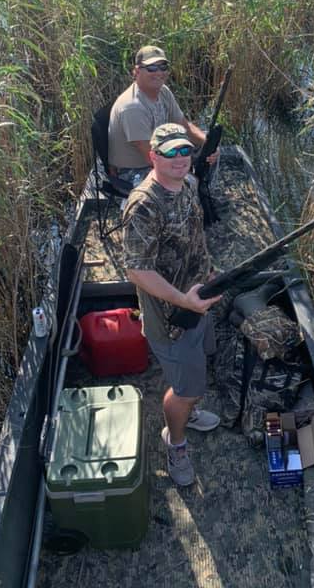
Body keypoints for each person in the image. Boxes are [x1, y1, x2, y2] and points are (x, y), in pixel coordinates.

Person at [123, 123, 222, 486]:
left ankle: (187, 412)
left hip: (199, 299)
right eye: (171, 153)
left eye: (185, 151)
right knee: (187, 390)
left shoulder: (190, 184)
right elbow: (137, 270)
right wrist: (184, 300)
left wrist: (209, 274)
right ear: (153, 157)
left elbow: (195, 236)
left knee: (195, 369)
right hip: (172, 315)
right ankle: (175, 440)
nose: (181, 158)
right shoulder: (144, 206)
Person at [107, 45, 211, 189]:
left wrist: (207, 144)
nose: (159, 73)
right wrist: (186, 162)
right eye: (151, 68)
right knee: (187, 182)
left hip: (161, 153)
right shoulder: (132, 107)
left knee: (207, 152)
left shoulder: (163, 92)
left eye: (163, 67)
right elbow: (151, 158)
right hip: (132, 171)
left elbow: (184, 126)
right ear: (136, 71)